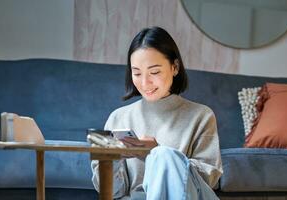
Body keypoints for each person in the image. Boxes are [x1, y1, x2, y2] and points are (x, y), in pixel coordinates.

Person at [91, 26, 222, 200]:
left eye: (154, 72)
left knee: (162, 155)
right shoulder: (118, 118)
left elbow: (209, 179)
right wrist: (113, 159)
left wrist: (157, 155)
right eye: (136, 73)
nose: (145, 83)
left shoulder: (202, 115)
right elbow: (111, 192)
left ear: (174, 67)